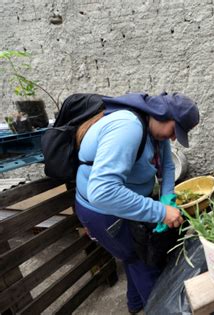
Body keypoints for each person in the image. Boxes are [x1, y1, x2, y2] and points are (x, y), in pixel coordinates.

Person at [74, 92, 199, 314]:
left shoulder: (153, 128)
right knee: (145, 262)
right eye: (174, 131)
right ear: (162, 115)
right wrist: (160, 211)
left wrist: (167, 196)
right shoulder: (128, 128)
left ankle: (135, 305)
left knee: (133, 258)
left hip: (126, 204)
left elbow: (168, 166)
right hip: (103, 212)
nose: (172, 139)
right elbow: (102, 192)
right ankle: (159, 309)